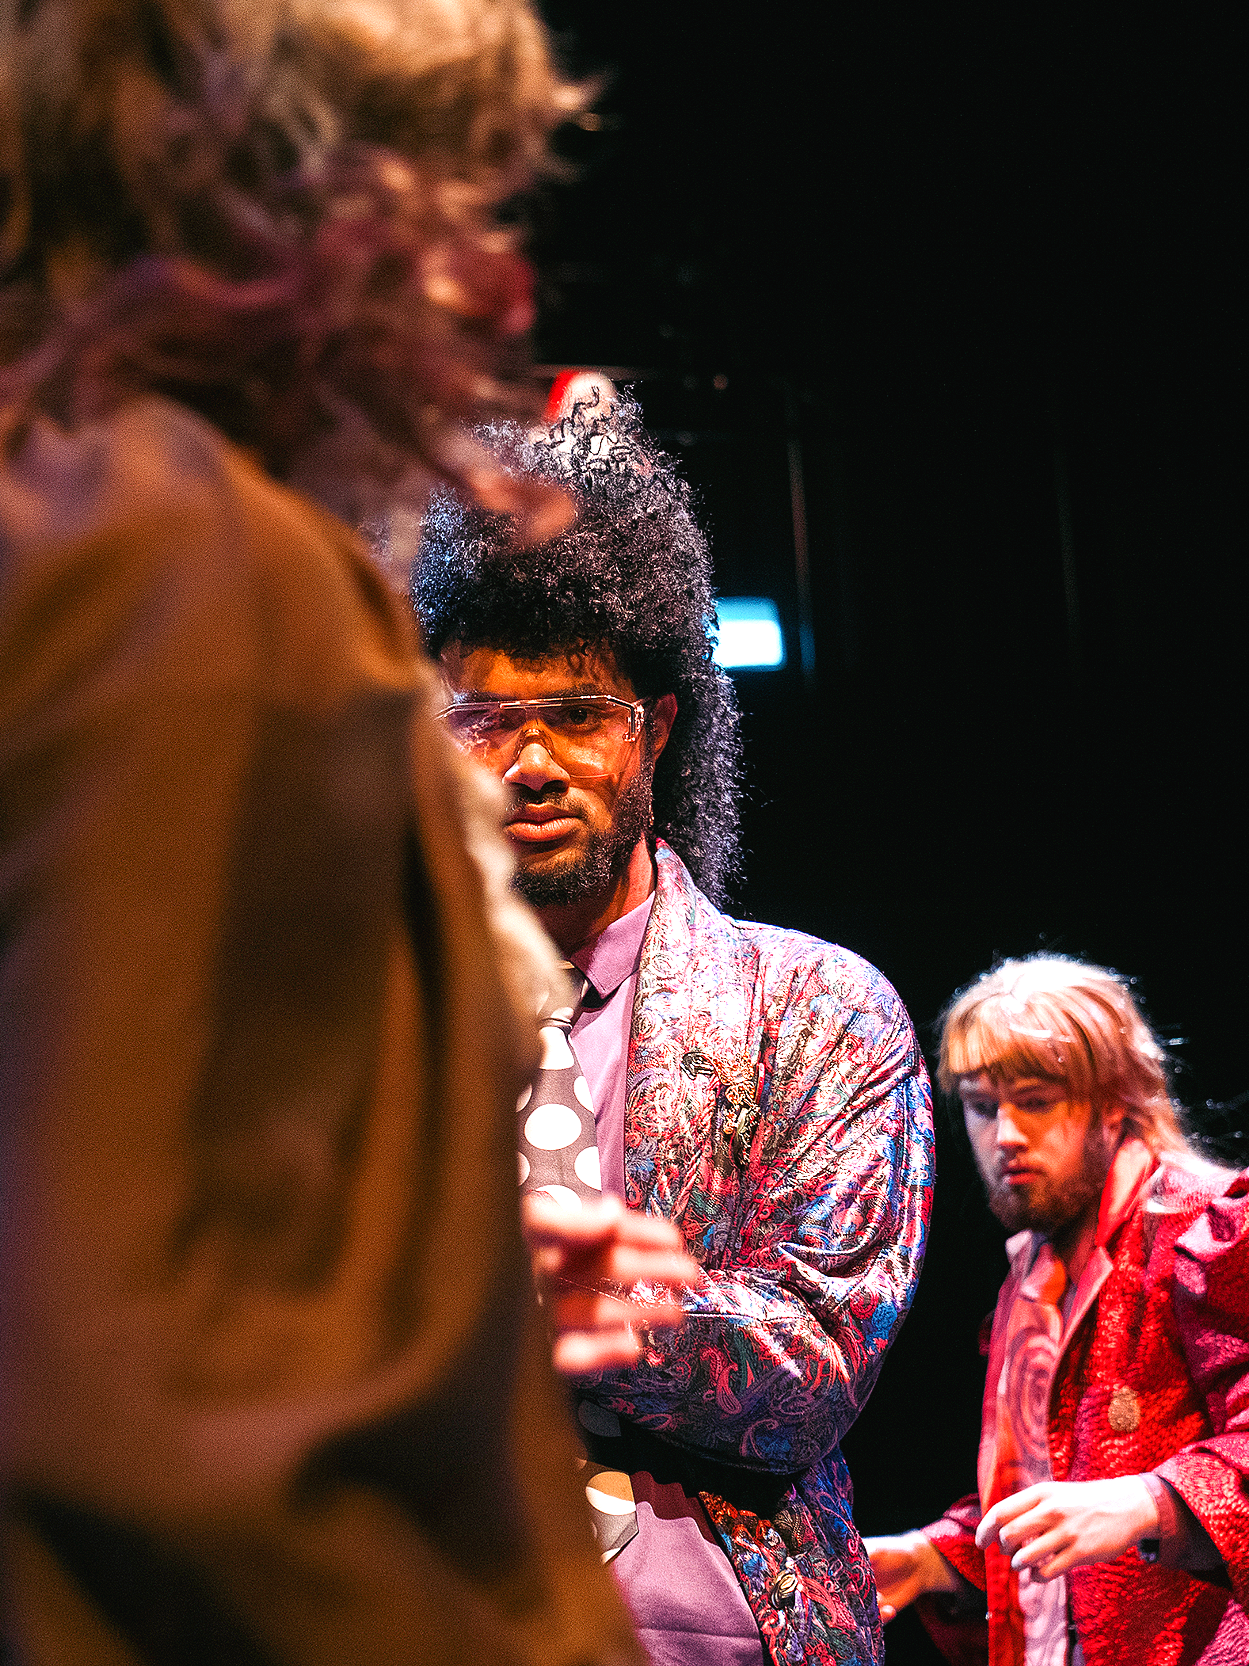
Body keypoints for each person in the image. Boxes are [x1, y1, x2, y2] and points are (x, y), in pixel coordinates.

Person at [0, 3, 688, 1662]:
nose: (497, 291)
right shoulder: (190, 566)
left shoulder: (70, 518)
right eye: (444, 203)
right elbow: (154, 1399)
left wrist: (428, 1232)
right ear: (273, 212)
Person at [412, 397, 935, 1666]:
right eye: (485, 720)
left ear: (658, 724)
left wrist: (553, 1289)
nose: (529, 761)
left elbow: (811, 1361)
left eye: (577, 714)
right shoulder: (365, 1027)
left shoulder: (814, 1010)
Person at [866, 955, 1249, 1666]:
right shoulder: (1034, 1278)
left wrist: (1151, 1503)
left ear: (1114, 1101)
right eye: (982, 1106)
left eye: (1036, 1101)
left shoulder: (1207, 1230)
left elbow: (1124, 1501)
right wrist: (931, 1556)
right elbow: (1055, 1498)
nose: (1004, 1134)